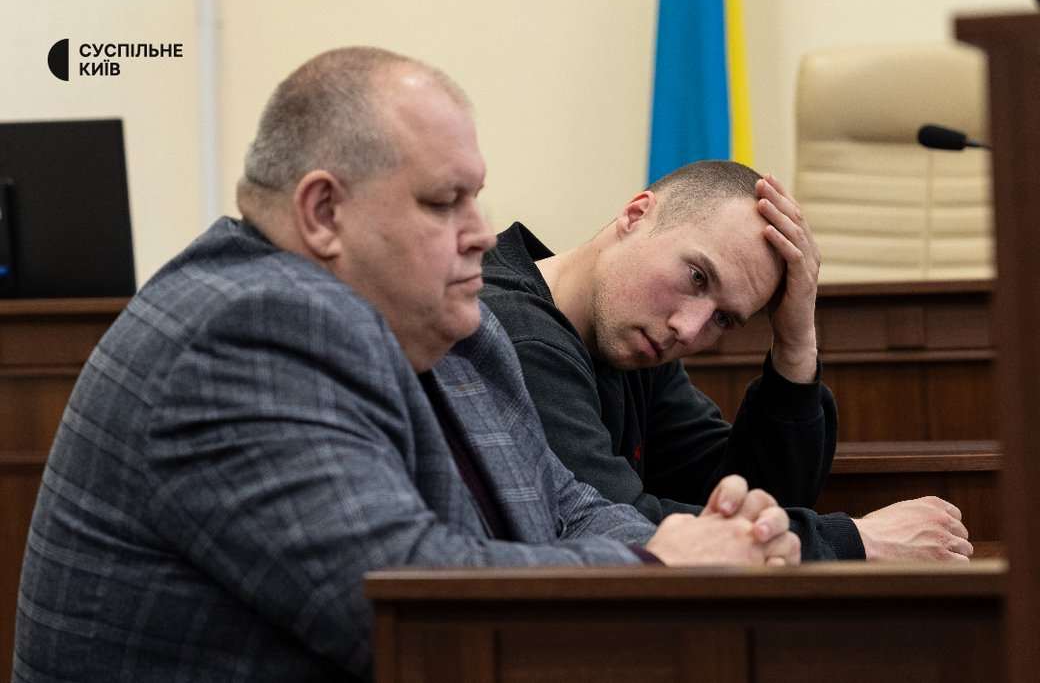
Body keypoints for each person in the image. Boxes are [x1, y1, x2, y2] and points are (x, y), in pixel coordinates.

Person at [14, 49, 800, 682]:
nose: (483, 233)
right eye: (443, 202)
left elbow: (565, 505)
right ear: (324, 213)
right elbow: (399, 599)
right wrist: (658, 562)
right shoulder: (240, 332)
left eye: (476, 199)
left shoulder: (455, 329)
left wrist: (715, 544)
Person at [480, 159, 974, 562]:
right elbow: (619, 529)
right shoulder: (518, 334)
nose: (689, 329)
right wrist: (855, 541)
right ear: (636, 214)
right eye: (697, 277)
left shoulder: (636, 340)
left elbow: (749, 495)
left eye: (723, 319)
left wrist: (795, 343)